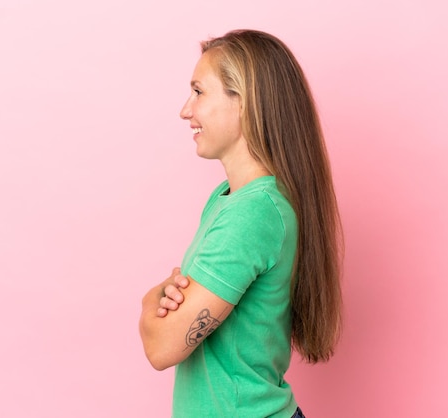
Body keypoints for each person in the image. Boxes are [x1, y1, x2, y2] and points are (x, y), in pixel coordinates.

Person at [139, 29, 342, 418]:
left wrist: (151, 300)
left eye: (199, 92)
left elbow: (162, 348)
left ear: (244, 102)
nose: (186, 110)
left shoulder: (253, 214)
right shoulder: (227, 199)